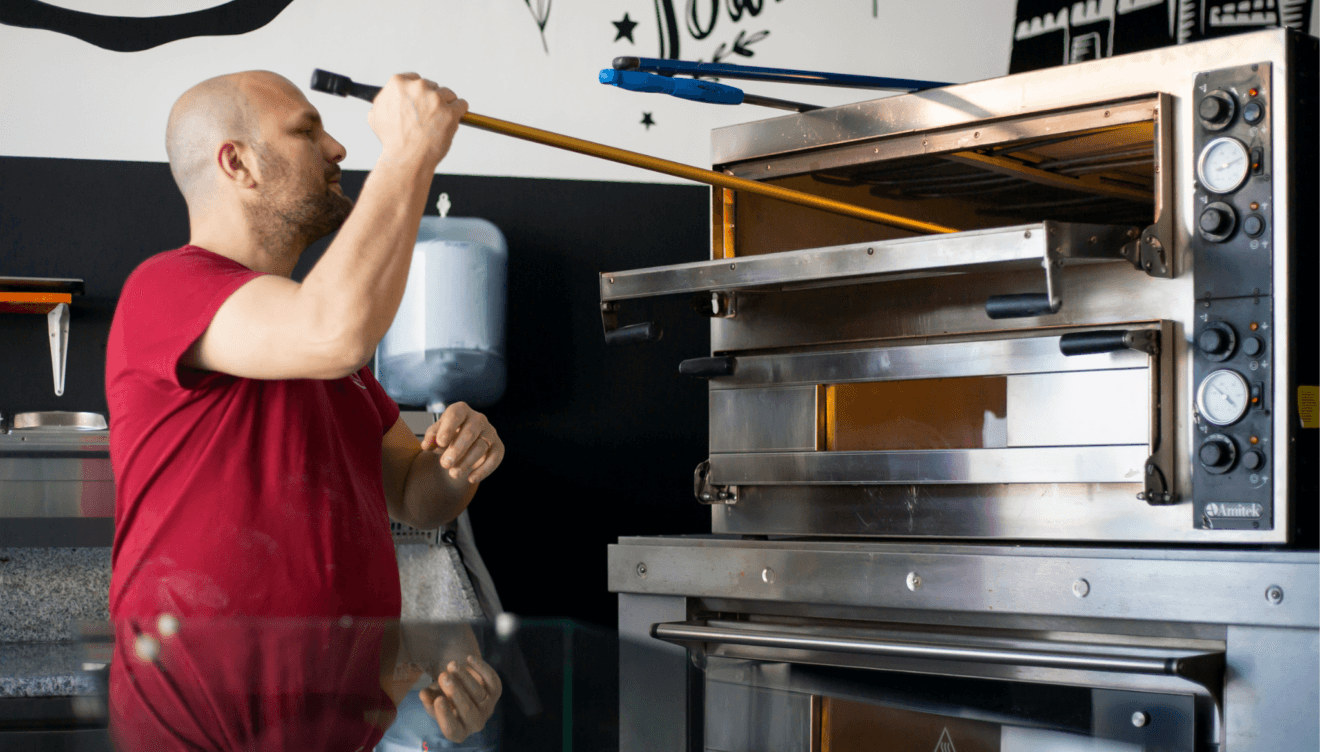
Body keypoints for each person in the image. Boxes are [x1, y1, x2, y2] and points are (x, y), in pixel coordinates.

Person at [105, 70, 500, 744]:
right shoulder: (167, 288)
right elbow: (336, 330)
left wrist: (459, 459)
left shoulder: (330, 368)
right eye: (306, 131)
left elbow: (414, 494)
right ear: (238, 162)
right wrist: (409, 153)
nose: (339, 148)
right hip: (198, 735)